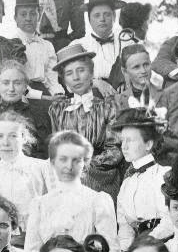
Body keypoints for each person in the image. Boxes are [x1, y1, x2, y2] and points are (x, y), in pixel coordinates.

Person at [0, 109, 54, 236]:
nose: (5, 143)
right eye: (0, 136)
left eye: (13, 136)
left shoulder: (42, 169)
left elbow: (57, 212)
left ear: (23, 138)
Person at [48, 42, 123, 194]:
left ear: (91, 74)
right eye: (69, 74)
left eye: (81, 70)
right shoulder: (58, 110)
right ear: (64, 81)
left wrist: (84, 165)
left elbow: (114, 151)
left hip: (101, 177)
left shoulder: (107, 107)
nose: (76, 77)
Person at [0, 58, 53, 163]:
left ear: (25, 86)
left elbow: (45, 153)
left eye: (17, 83)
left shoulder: (39, 115)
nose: (11, 88)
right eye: (6, 83)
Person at [113, 109, 169, 252]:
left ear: (148, 144)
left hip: (164, 245)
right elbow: (125, 229)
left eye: (129, 140)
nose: (123, 147)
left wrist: (147, 240)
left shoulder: (164, 175)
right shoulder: (127, 183)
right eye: (122, 141)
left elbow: (172, 220)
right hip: (137, 250)